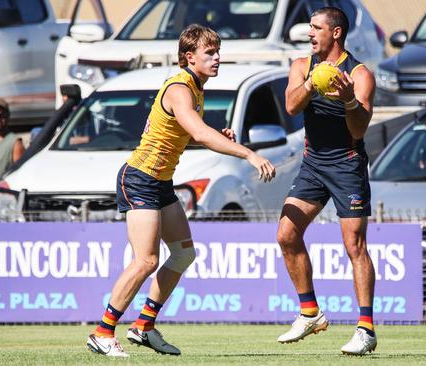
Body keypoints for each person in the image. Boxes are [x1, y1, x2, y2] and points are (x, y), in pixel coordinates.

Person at [85, 24, 276, 358]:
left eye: (218, 52)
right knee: (146, 260)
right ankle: (102, 332)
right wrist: (247, 152)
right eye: (210, 53)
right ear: (189, 57)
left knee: (185, 253)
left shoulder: (196, 88)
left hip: (160, 182)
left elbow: (188, 132)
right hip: (139, 178)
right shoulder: (179, 87)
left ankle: (144, 326)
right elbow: (199, 134)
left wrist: (222, 137)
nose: (217, 59)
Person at [276, 7, 377, 355]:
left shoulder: (360, 74)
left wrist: (348, 98)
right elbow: (291, 107)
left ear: (335, 33)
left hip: (347, 165)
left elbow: (359, 129)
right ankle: (310, 313)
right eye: (310, 27)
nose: (310, 33)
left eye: (316, 28)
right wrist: (311, 82)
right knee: (286, 235)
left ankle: (366, 329)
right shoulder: (301, 66)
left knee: (355, 246)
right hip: (312, 164)